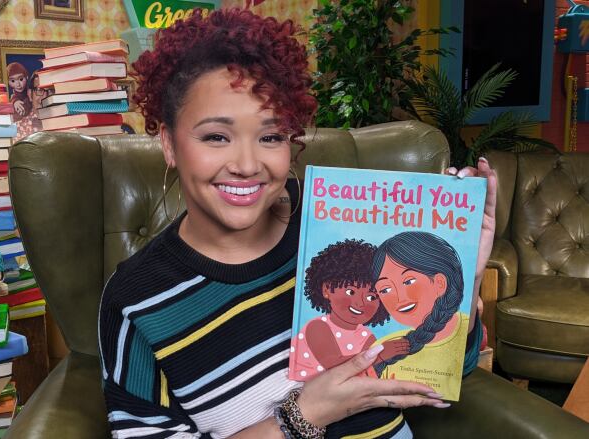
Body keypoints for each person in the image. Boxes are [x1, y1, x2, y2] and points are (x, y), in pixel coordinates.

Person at [98, 8, 497, 439]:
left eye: (270, 137)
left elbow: (445, 372)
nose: (248, 165)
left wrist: (465, 275)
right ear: (169, 143)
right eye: (216, 136)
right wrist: (301, 415)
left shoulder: (340, 224)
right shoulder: (135, 300)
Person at [371, 232, 474, 397]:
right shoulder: (385, 346)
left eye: (409, 281)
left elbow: (467, 366)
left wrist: (477, 276)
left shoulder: (466, 327)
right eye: (385, 289)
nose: (399, 297)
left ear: (440, 283)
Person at [293, 239, 406, 380]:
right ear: (326, 289)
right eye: (350, 292)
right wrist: (381, 355)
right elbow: (333, 364)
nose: (360, 303)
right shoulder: (318, 327)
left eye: (371, 297)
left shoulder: (366, 336)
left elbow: (367, 373)